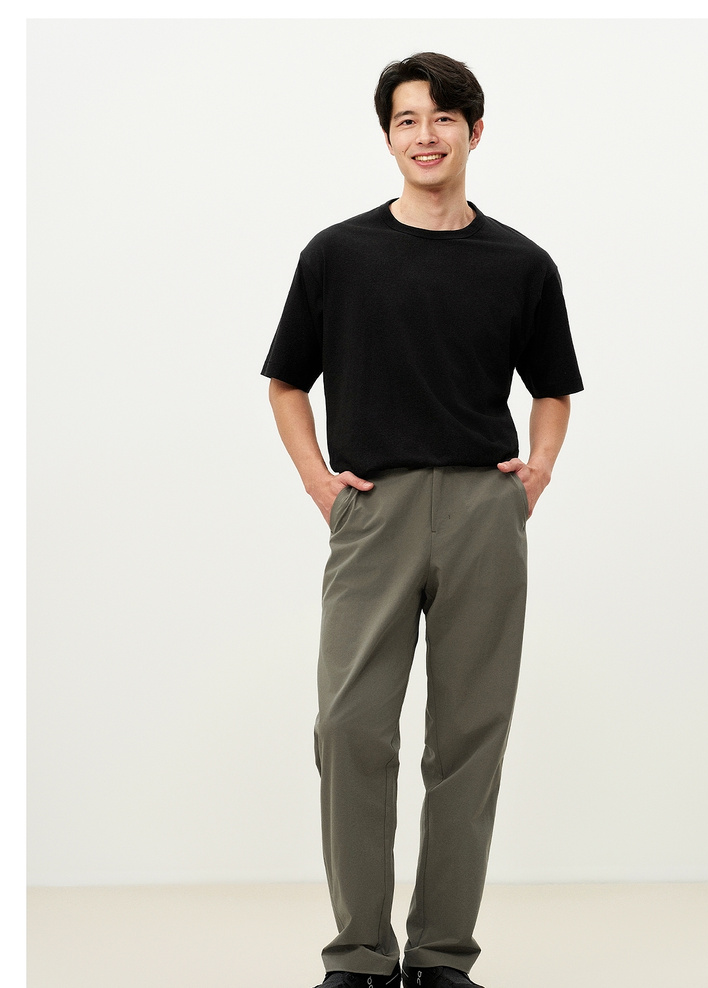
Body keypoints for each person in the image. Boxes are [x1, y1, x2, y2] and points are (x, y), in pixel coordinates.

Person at [262, 51, 583, 988]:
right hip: (373, 509)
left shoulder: (521, 263)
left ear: (474, 132)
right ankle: (360, 957)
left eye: (444, 118)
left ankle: (441, 956)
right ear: (388, 137)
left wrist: (536, 473)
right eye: (408, 120)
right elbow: (286, 381)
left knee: (469, 735)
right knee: (350, 727)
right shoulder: (338, 255)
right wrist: (319, 484)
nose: (426, 135)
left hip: (485, 510)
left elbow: (553, 388)